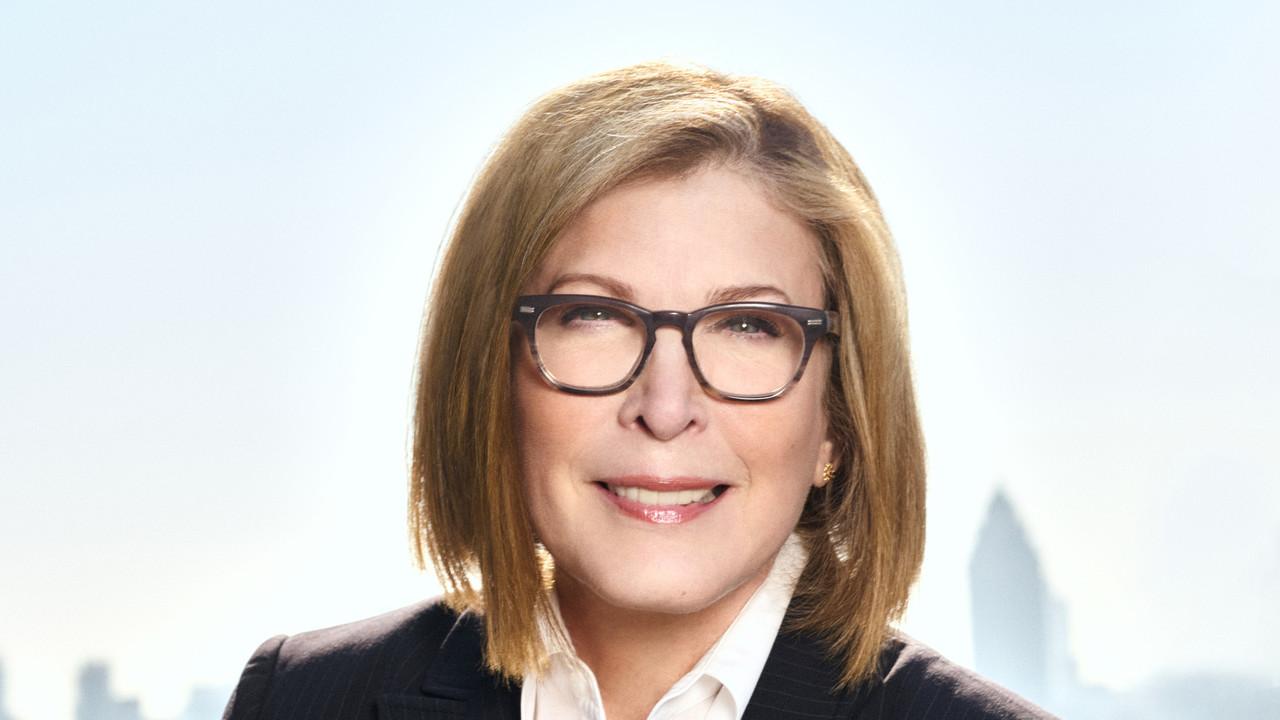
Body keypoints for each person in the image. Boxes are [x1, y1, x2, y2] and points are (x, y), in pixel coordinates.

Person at [222, 61, 1055, 720]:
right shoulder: (296, 699)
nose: (664, 407)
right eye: (593, 315)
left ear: (837, 420)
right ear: (491, 380)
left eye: (748, 328)